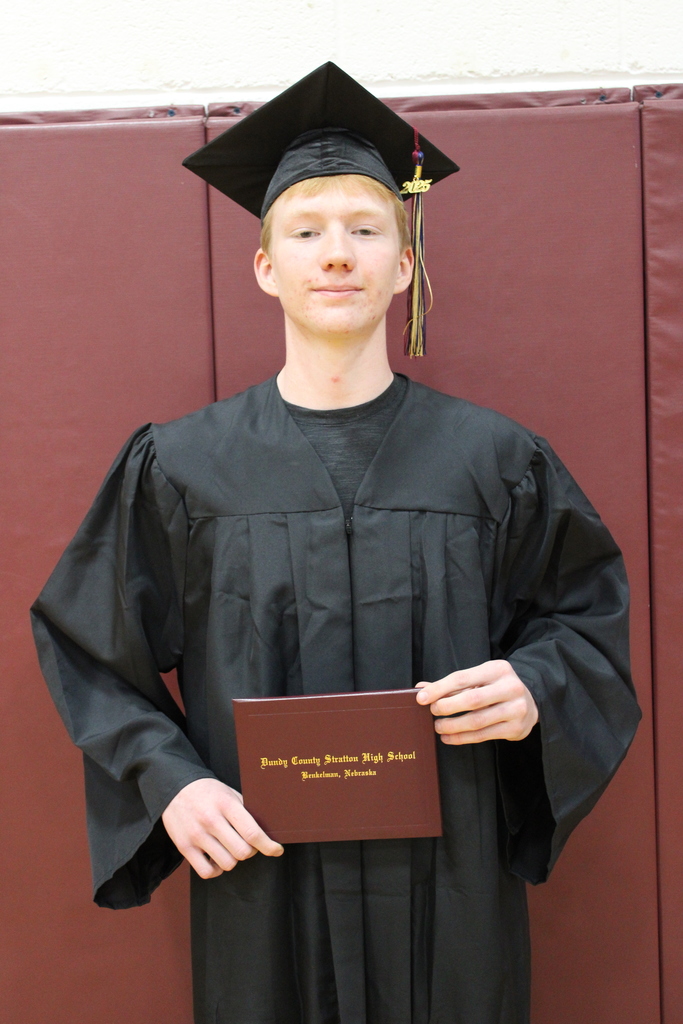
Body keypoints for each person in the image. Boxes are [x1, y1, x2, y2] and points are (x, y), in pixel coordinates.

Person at [31, 63, 641, 1024]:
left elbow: (584, 620)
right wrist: (169, 783)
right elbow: (88, 650)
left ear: (403, 265)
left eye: (365, 229)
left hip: (452, 883)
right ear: (265, 267)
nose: (337, 254)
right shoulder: (183, 468)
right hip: (261, 873)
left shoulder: (494, 461)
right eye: (306, 231)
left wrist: (536, 687)